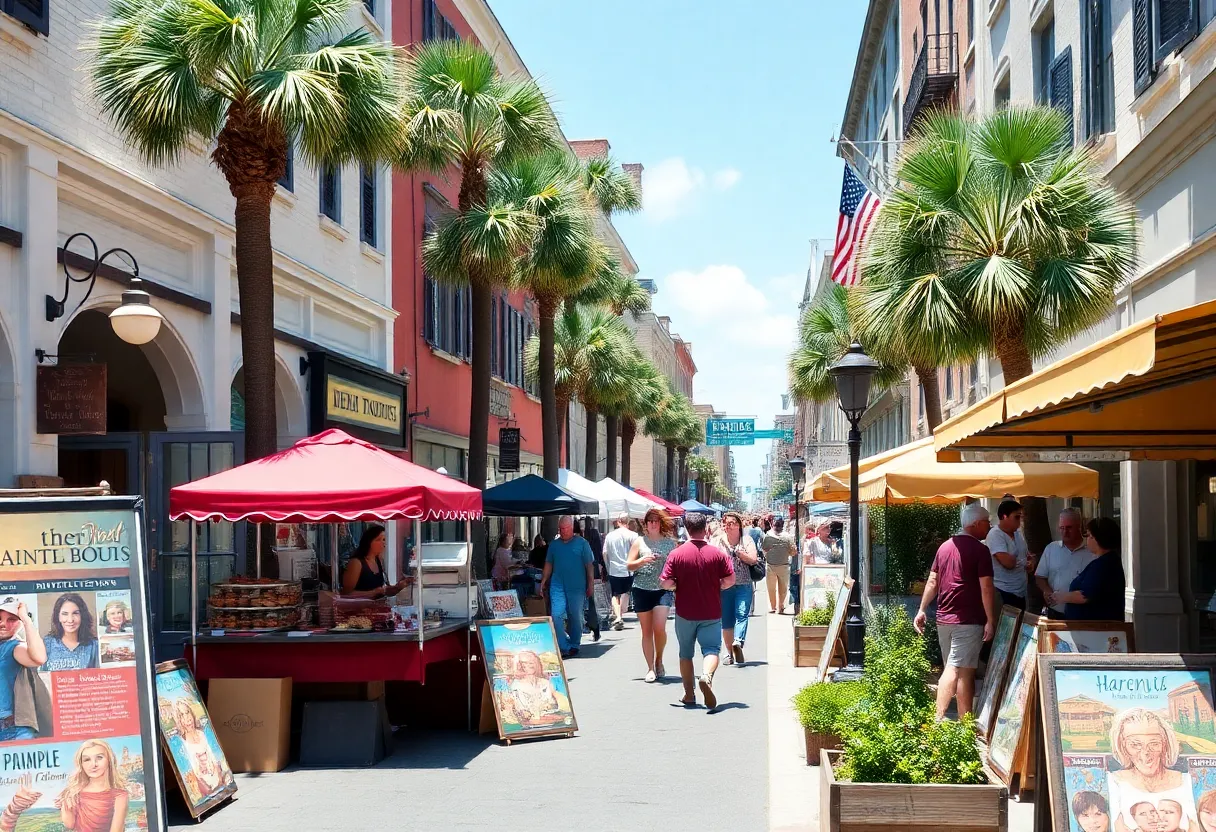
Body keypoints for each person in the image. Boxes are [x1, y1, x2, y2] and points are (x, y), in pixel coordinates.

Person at [914, 503, 999, 719]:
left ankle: (965, 724)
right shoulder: (981, 550)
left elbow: (933, 580)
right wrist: (990, 619)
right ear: (976, 524)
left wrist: (922, 609)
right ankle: (938, 721)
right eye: (987, 523)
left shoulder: (945, 547)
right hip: (968, 620)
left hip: (944, 620)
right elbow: (986, 587)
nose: (989, 527)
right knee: (956, 670)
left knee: (963, 672)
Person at [660, 512, 734, 711]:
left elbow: (665, 582)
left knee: (685, 653)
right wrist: (718, 585)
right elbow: (730, 580)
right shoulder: (718, 554)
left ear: (686, 528)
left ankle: (689, 694)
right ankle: (707, 677)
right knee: (711, 649)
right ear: (706, 529)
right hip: (711, 610)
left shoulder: (677, 553)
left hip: (685, 612)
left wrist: (676, 585)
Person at [1107, 708, 1199, 832]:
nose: (1146, 753)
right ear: (1123, 747)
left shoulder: (1189, 782)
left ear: (1165, 744)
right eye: (1135, 745)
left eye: (1154, 744)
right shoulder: (1112, 782)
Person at [627, 509, 678, 682]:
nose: (653, 523)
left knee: (660, 628)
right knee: (646, 631)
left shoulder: (670, 543)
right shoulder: (639, 542)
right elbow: (629, 565)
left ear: (661, 523)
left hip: (662, 590)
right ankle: (650, 668)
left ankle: (659, 659)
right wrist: (642, 561)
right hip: (641, 588)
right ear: (646, 524)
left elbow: (677, 566)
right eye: (650, 521)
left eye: (656, 521)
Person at [539, 516, 595, 658]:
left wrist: (591, 584)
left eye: (566, 528)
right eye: (561, 529)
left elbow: (589, 565)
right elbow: (549, 564)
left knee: (575, 615)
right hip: (557, 586)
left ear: (572, 528)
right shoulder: (554, 545)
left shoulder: (582, 544)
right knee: (556, 615)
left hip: (577, 587)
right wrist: (543, 581)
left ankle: (575, 644)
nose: (563, 531)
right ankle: (564, 646)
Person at [1056, 517, 1126, 621]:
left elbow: (1085, 595)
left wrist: (1061, 596)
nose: (1086, 539)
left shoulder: (1104, 564)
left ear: (1097, 538)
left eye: (1088, 535)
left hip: (1097, 629)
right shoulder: (1105, 561)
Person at [55, 739, 129, 832]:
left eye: (99, 757)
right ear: (81, 764)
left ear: (109, 760)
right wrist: (65, 807)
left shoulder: (120, 796)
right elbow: (69, 825)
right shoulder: (74, 793)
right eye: (87, 760)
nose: (93, 764)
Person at [0, 598, 46, 741]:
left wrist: (26, 620)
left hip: (13, 730)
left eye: (12, 619)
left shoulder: (14, 647)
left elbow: (39, 658)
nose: (3, 624)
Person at [1035, 508, 1095, 619]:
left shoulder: (1091, 551)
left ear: (1079, 526)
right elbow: (1040, 576)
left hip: (1083, 614)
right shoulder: (1051, 548)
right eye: (1062, 528)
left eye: (1069, 528)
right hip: (1056, 611)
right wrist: (1046, 591)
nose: (1065, 532)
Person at [717, 511, 759, 665]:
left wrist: (741, 555)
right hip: (724, 586)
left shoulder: (746, 540)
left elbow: (753, 560)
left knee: (742, 614)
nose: (729, 526)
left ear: (739, 525)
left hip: (743, 584)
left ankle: (738, 642)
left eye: (732, 523)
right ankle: (728, 654)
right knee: (726, 620)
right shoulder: (718, 541)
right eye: (726, 523)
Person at [172, 698, 228, 799]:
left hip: (220, 781)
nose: (187, 718)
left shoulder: (203, 733)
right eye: (181, 715)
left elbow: (215, 759)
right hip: (204, 790)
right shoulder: (182, 744)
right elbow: (193, 774)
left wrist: (220, 780)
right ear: (178, 720)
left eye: (187, 712)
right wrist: (207, 788)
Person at [340, 525, 409, 600]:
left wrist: (398, 587)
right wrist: (372, 593)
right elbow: (346, 594)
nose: (384, 543)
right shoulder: (356, 563)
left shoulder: (378, 561)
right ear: (369, 542)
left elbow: (382, 591)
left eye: (384, 540)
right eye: (379, 539)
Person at [985, 500, 1029, 610]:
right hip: (1004, 592)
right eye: (1016, 517)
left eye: (1021, 517)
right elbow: (1008, 563)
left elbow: (1026, 555)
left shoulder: (1017, 533)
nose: (1020, 521)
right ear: (1004, 517)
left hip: (1020, 591)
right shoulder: (995, 534)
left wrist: (1030, 562)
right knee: (1006, 627)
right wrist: (1021, 561)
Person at [42, 593, 100, 672]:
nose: (70, 620)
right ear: (58, 616)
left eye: (75, 613)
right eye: (65, 614)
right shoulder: (47, 644)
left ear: (82, 616)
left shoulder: (94, 645)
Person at [603, 513, 639, 630]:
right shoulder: (633, 535)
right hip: (629, 569)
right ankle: (620, 616)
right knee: (626, 593)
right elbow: (638, 552)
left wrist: (608, 566)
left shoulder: (609, 536)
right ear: (628, 523)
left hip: (614, 569)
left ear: (618, 522)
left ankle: (618, 616)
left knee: (615, 594)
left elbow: (604, 553)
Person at [507, 650, 560, 724]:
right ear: (519, 666)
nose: (529, 666)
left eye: (531, 663)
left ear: (537, 664)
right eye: (524, 663)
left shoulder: (545, 683)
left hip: (547, 718)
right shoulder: (516, 685)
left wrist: (550, 705)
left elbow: (553, 703)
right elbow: (517, 707)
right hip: (526, 722)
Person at [573, 521, 602, 643]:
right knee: (588, 604)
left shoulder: (579, 542)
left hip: (580, 576)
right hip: (583, 576)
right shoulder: (586, 539)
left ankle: (588, 627)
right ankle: (592, 628)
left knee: (585, 604)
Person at [760, 517, 795, 614]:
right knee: (782, 588)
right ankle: (779, 606)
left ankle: (775, 606)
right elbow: (793, 552)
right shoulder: (787, 537)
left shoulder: (769, 536)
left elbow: (764, 550)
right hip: (780, 565)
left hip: (775, 565)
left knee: (773, 588)